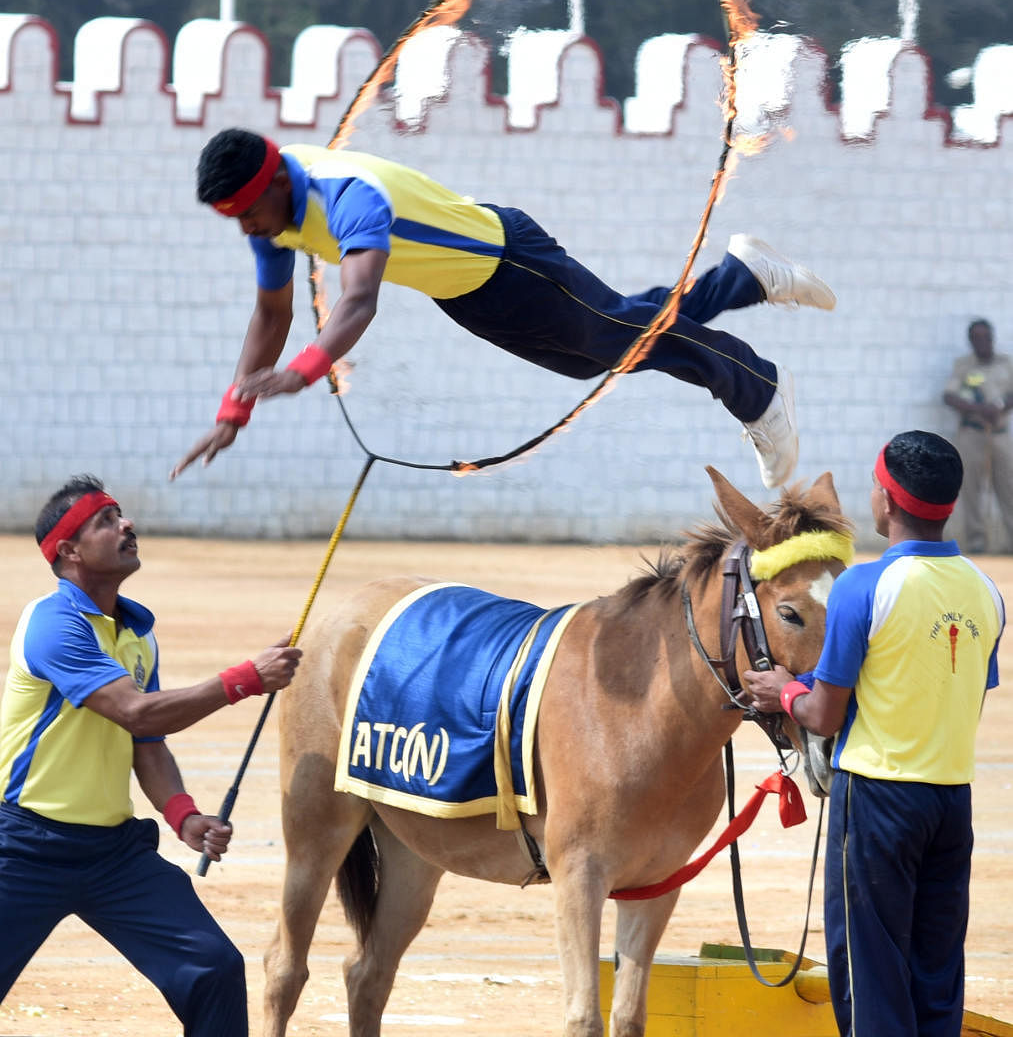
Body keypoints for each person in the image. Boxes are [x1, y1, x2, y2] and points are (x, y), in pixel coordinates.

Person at [170, 129, 836, 489]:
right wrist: (235, 409)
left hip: (509, 259)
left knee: (620, 337)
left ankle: (756, 388)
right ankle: (742, 277)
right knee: (602, 349)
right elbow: (270, 316)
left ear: (277, 182)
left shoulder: (348, 198)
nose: (248, 231)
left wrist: (303, 373)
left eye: (248, 214)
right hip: (466, 293)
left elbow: (358, 301)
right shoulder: (274, 221)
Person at [0, 474, 303, 1037]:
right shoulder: (52, 623)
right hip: (21, 848)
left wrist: (183, 814)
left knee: (214, 969)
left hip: (112, 855)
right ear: (68, 551)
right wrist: (245, 679)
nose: (127, 524)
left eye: (122, 515)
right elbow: (136, 712)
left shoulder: (137, 632)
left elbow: (147, 743)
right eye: (107, 520)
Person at [743, 431, 1004, 1037]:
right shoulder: (987, 593)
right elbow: (954, 687)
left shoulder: (864, 586)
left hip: (880, 798)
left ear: (884, 501)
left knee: (870, 972)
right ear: (950, 504)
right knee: (936, 973)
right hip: (952, 799)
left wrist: (781, 689)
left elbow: (822, 717)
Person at [943, 318, 1013, 553]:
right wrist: (979, 409)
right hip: (972, 433)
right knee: (972, 488)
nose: (982, 342)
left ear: (992, 338)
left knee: (1008, 486)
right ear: (971, 341)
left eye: (986, 337)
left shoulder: (1006, 364)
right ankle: (977, 543)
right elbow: (950, 397)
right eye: (977, 337)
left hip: (1000, 434)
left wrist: (1001, 406)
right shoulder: (964, 366)